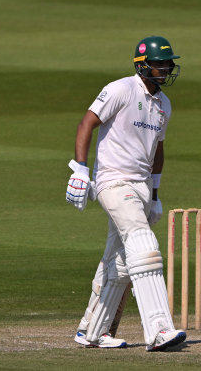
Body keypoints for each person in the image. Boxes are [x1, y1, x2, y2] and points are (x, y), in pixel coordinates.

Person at [65, 35, 186, 351]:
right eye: (160, 64)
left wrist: (156, 194)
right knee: (143, 244)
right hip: (114, 182)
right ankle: (159, 331)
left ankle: (91, 331)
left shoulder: (164, 105)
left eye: (168, 64)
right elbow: (86, 123)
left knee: (118, 262)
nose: (166, 69)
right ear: (143, 65)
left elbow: (158, 150)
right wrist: (80, 169)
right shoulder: (120, 89)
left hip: (142, 187)